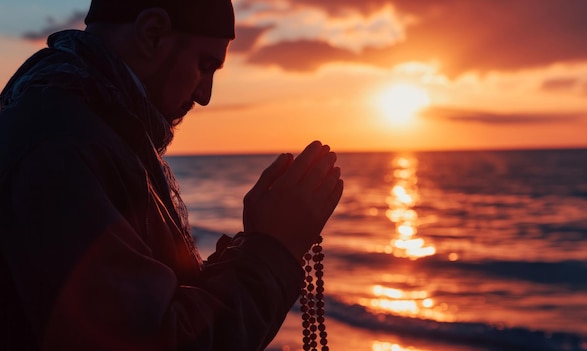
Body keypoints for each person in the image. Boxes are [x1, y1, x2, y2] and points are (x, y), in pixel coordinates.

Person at [0, 0, 343, 350]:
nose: (205, 95)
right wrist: (273, 251)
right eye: (205, 64)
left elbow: (153, 305)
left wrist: (254, 242)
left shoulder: (91, 129)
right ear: (152, 34)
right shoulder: (58, 146)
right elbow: (154, 340)